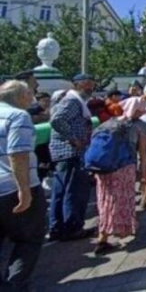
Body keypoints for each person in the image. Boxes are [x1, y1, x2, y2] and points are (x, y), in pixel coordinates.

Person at [0, 81, 46, 291]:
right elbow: (18, 154)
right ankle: (15, 286)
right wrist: (25, 191)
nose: (32, 98)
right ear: (19, 97)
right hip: (14, 187)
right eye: (29, 93)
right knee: (29, 239)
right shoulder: (19, 116)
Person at [94, 97, 146, 255]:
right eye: (140, 109)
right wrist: (144, 173)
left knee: (105, 199)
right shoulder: (139, 125)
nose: (143, 111)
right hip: (125, 166)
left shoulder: (110, 122)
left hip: (103, 167)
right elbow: (143, 152)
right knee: (124, 198)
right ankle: (124, 230)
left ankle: (102, 237)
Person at [48, 73, 95, 242]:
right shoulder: (73, 101)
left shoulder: (73, 100)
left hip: (67, 153)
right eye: (87, 84)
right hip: (71, 153)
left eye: (91, 84)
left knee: (61, 191)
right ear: (77, 85)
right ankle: (72, 228)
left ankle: (57, 228)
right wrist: (73, 139)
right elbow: (57, 120)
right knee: (74, 191)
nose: (90, 88)